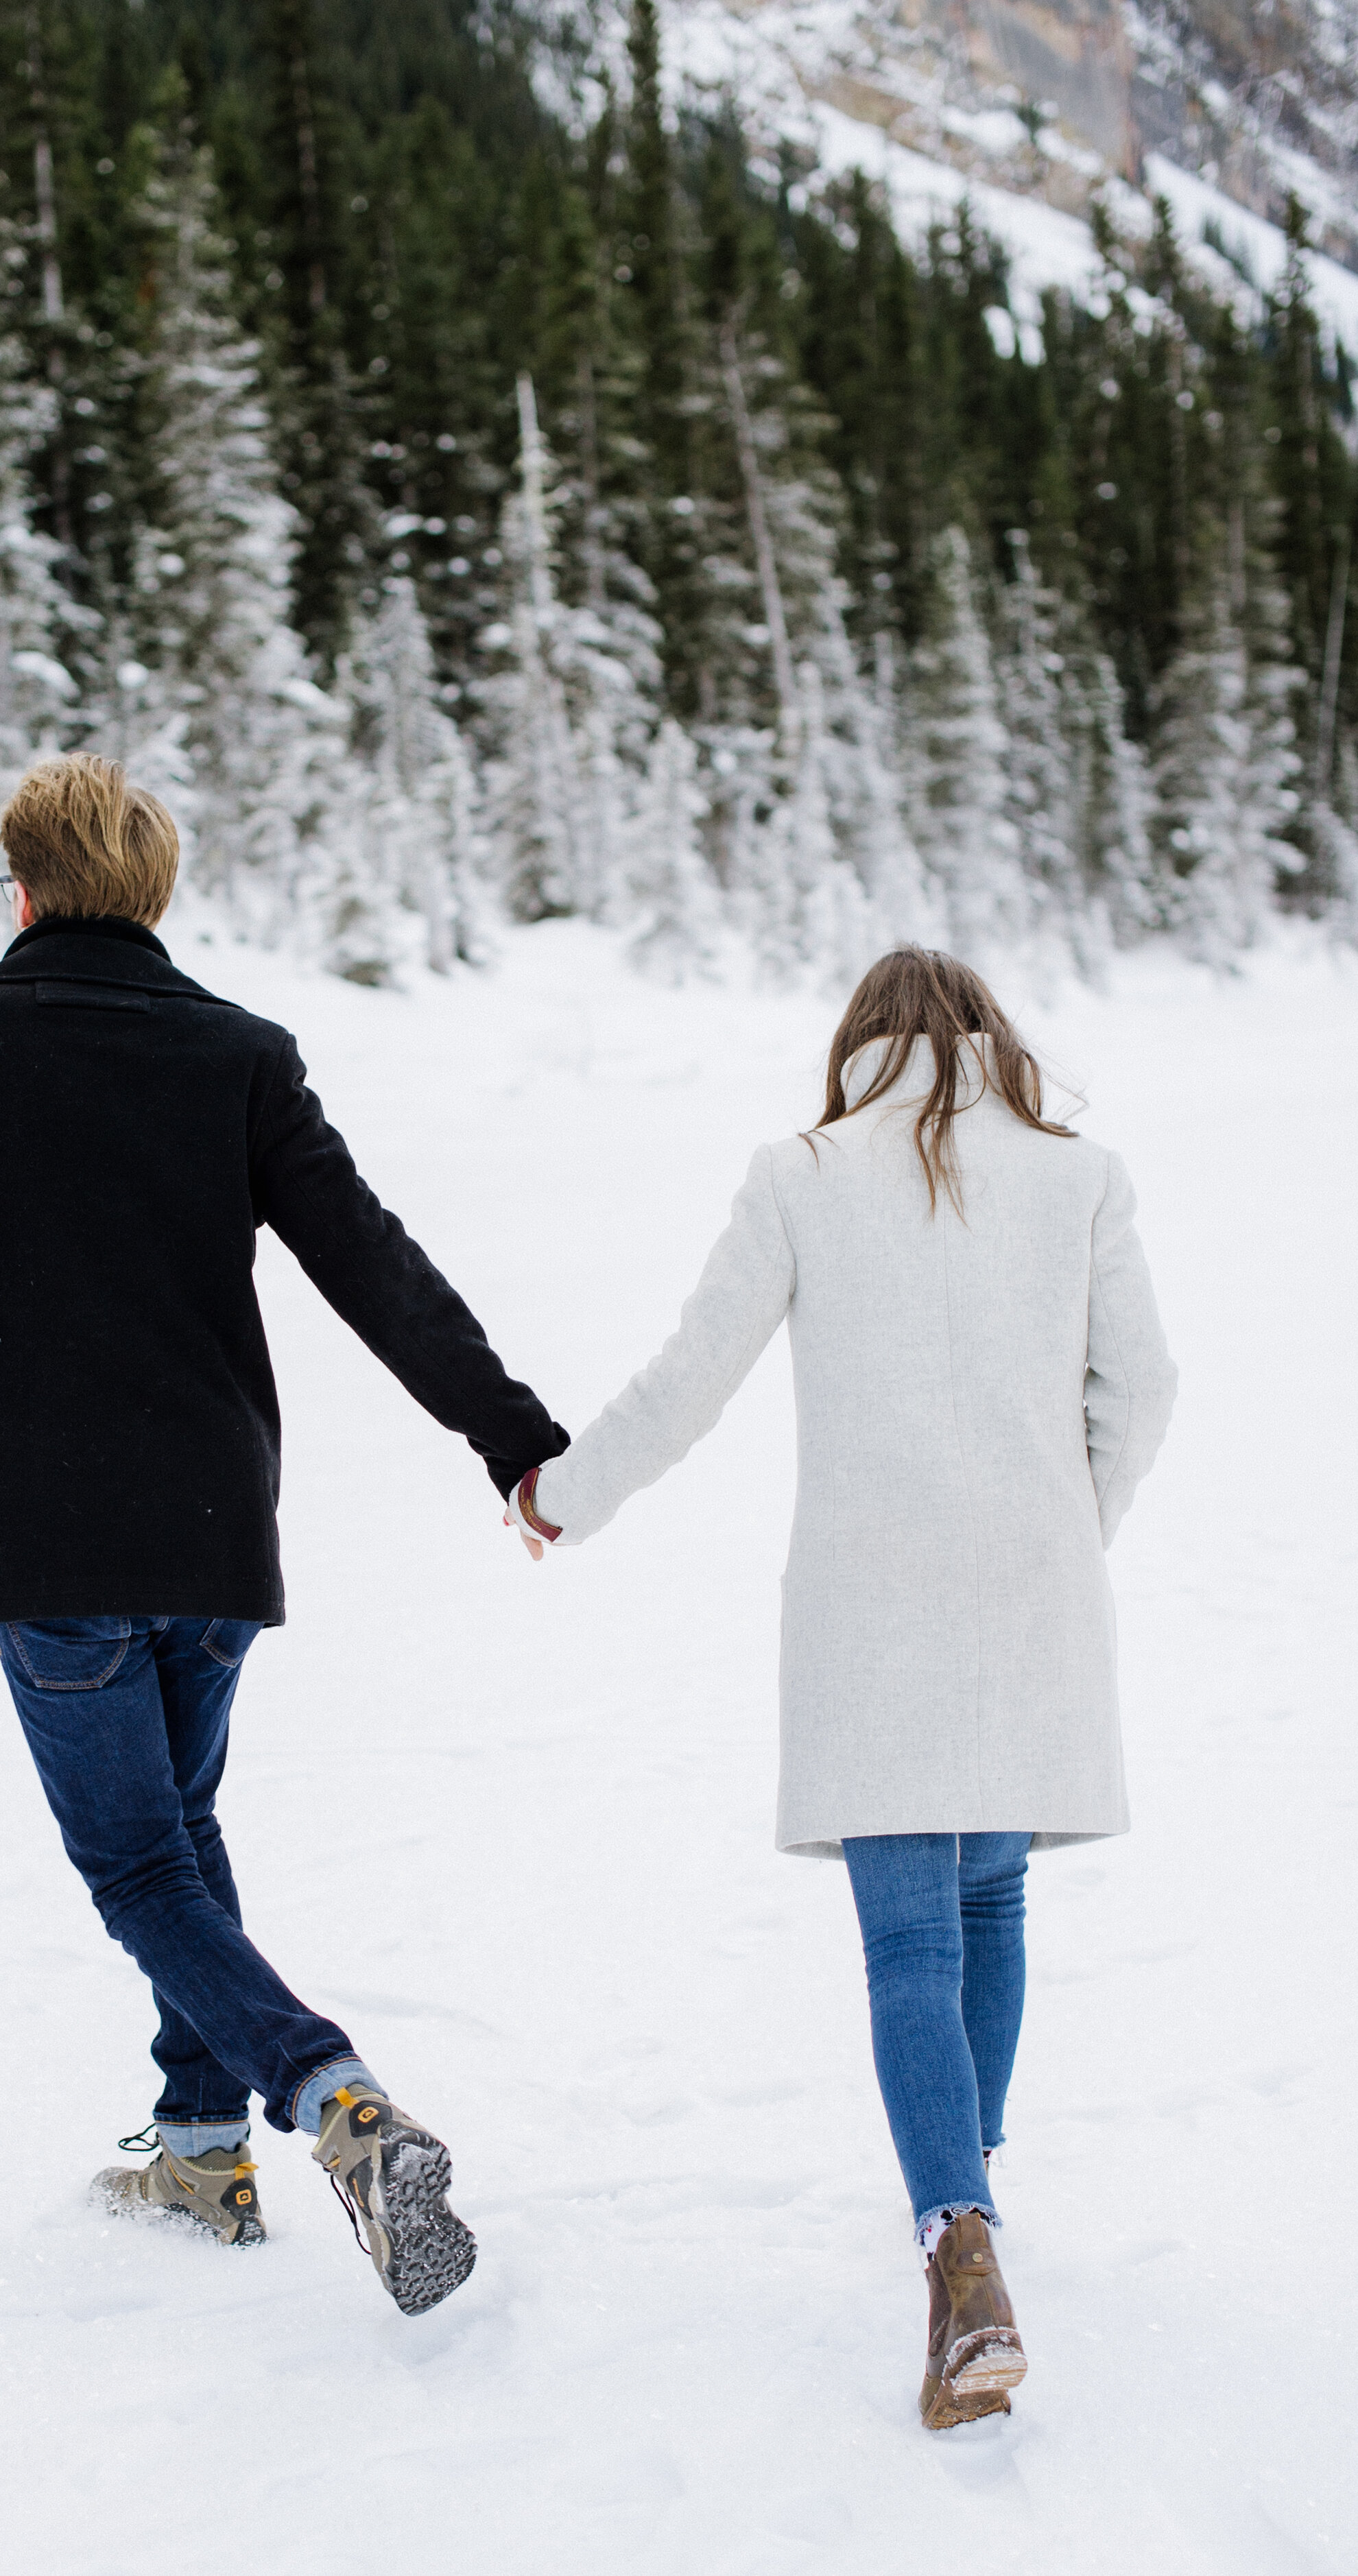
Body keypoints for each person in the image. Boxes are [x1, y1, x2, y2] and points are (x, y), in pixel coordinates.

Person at [0, 752, 567, 2319]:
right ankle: (196, 2147)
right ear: (154, 895)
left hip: (45, 1538)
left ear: (16, 894)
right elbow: (371, 1264)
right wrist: (507, 1435)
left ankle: (330, 2102)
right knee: (183, 1836)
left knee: (140, 1864)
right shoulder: (236, 1054)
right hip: (211, 1523)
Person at [503, 947, 1176, 2425]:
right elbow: (1143, 1384)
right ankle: (966, 2198)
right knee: (987, 1901)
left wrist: (564, 1492)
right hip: (1027, 1593)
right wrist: (1072, 1526)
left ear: (855, 1048)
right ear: (989, 1040)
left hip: (870, 1605)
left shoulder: (801, 1171)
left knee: (905, 1947)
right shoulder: (1078, 1177)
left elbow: (691, 1374)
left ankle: (956, 2236)